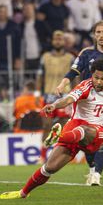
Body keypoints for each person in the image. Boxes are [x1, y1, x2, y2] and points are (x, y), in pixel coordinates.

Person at [0, 59, 103, 199]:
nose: (98, 81)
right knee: (49, 168)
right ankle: (23, 193)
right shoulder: (85, 86)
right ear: (92, 75)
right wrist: (54, 105)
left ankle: (59, 136)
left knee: (88, 130)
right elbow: (68, 99)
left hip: (95, 132)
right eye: (96, 77)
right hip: (74, 128)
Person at [55, 20, 103, 186]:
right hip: (86, 103)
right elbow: (74, 71)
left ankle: (96, 175)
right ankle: (91, 169)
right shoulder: (86, 53)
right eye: (98, 32)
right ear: (94, 35)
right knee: (86, 140)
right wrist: (63, 83)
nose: (101, 36)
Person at [36, 31, 74, 163]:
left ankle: (61, 155)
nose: (58, 41)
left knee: (64, 127)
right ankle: (42, 156)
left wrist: (77, 94)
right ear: (52, 41)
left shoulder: (70, 58)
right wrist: (37, 93)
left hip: (65, 96)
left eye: (60, 39)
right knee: (46, 126)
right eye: (55, 39)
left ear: (64, 42)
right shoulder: (45, 57)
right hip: (49, 95)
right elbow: (39, 76)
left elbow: (76, 77)